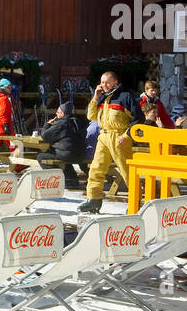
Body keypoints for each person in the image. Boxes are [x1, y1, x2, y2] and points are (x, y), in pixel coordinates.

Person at [79, 72, 137, 213]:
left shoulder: (125, 96)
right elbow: (91, 116)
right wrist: (96, 97)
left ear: (115, 82)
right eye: (102, 82)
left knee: (127, 171)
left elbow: (138, 119)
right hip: (103, 136)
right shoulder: (102, 97)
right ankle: (94, 199)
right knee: (96, 169)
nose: (103, 85)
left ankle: (136, 203)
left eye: (107, 82)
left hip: (119, 138)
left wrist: (127, 135)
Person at [36, 102, 86, 189]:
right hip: (80, 155)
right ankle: (71, 180)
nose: (56, 114)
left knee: (41, 157)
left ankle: (58, 179)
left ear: (63, 113)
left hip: (68, 155)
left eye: (58, 112)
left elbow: (45, 136)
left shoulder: (61, 124)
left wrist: (47, 125)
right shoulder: (76, 121)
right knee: (61, 155)